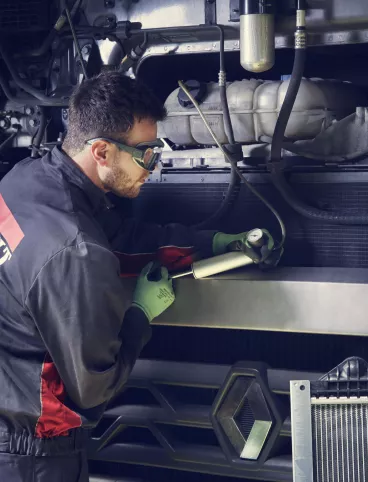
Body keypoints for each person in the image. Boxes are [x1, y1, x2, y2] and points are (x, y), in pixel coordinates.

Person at [0, 71, 247, 482]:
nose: (153, 166)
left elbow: (117, 237)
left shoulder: (26, 181)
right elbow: (94, 390)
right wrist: (139, 315)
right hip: (34, 455)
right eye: (147, 153)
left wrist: (211, 242)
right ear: (100, 150)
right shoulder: (75, 253)